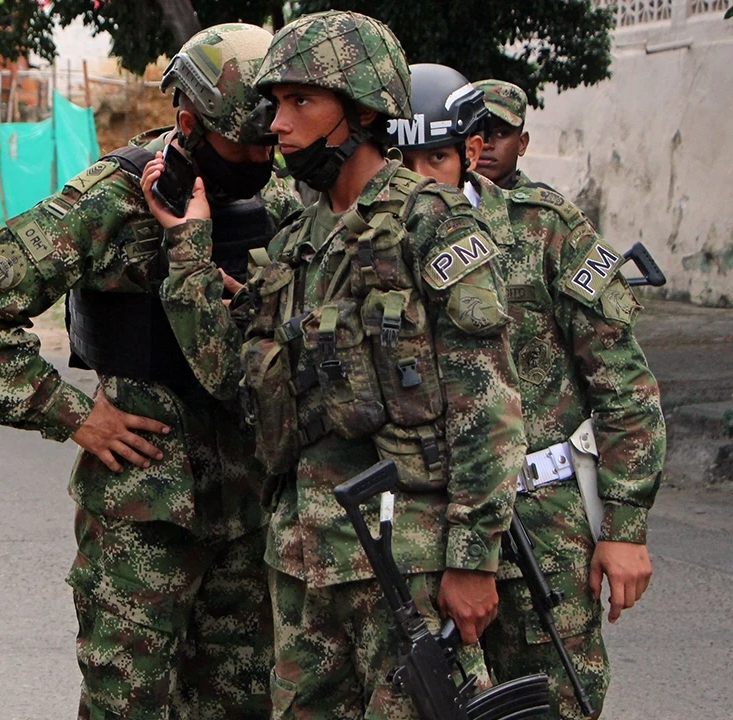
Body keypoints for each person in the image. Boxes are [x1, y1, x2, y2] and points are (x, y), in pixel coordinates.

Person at [153, 11, 528, 718]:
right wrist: (187, 249)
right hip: (301, 558)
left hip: (405, 561)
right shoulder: (297, 234)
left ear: (360, 111)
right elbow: (235, 379)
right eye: (275, 104)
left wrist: (473, 558)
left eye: (301, 102)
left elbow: (488, 407)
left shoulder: (435, 222)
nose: (278, 125)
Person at [0, 23, 304, 720]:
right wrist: (76, 415)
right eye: (245, 143)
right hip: (144, 507)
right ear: (189, 122)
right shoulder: (110, 200)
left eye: (272, 142)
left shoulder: (283, 202)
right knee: (128, 703)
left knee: (242, 703)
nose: (262, 157)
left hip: (247, 500)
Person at [387, 62, 666, 719]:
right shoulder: (369, 245)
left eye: (434, 159)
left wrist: (625, 526)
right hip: (424, 527)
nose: (417, 182)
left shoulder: (542, 226)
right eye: (400, 161)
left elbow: (622, 380)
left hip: (541, 523)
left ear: (472, 151)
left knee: (558, 701)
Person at [472, 79, 535, 190]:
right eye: (476, 131)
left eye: (501, 133)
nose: (486, 144)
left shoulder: (543, 206)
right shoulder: (440, 201)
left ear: (522, 143)